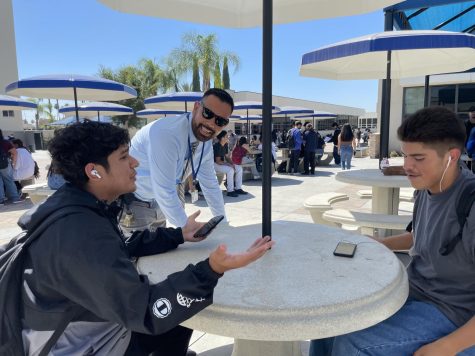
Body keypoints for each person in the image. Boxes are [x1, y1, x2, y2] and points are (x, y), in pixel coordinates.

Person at [19, 121, 274, 356]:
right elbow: (145, 312)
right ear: (94, 172)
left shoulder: (79, 207)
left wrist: (177, 235)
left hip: (86, 321)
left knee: (180, 313)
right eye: (123, 157)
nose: (135, 162)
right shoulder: (81, 233)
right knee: (179, 313)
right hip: (86, 345)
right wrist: (212, 269)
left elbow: (122, 246)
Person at [309, 106, 475, 356]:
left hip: (452, 311)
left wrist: (445, 347)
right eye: (406, 156)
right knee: (330, 321)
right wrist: (376, 243)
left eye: (418, 159)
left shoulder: (470, 202)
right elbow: (421, 235)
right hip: (413, 290)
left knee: (353, 344)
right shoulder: (427, 187)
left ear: (451, 157)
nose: (408, 166)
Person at [123, 88, 233, 232]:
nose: (211, 123)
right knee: (140, 254)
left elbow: (210, 184)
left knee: (164, 253)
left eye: (220, 121)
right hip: (137, 203)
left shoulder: (205, 142)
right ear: (196, 107)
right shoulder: (166, 134)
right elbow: (164, 189)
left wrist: (223, 224)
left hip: (161, 204)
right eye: (207, 113)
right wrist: (187, 228)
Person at [213, 130, 246, 197]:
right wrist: (228, 164)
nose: (228, 137)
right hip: (214, 164)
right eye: (226, 136)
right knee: (230, 170)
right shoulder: (217, 146)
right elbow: (218, 161)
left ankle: (238, 188)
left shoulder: (225, 145)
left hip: (221, 163)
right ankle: (230, 191)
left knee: (239, 168)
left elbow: (227, 157)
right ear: (222, 138)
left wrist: (232, 164)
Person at [0, 129, 21, 205]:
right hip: (5, 163)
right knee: (9, 180)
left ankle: (0, 200)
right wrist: (13, 163)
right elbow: (15, 153)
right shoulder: (6, 142)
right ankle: (14, 198)